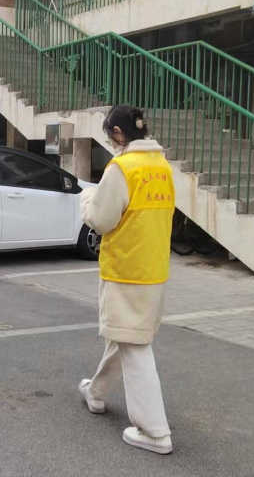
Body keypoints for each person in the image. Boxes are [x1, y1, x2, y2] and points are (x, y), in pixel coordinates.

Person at [78, 105, 175, 455]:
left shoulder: (122, 167)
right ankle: (96, 392)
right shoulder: (162, 166)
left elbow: (101, 219)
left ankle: (155, 431)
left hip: (125, 269)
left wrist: (87, 198)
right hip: (154, 269)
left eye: (110, 136)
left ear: (118, 133)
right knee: (126, 336)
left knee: (134, 346)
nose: (111, 142)